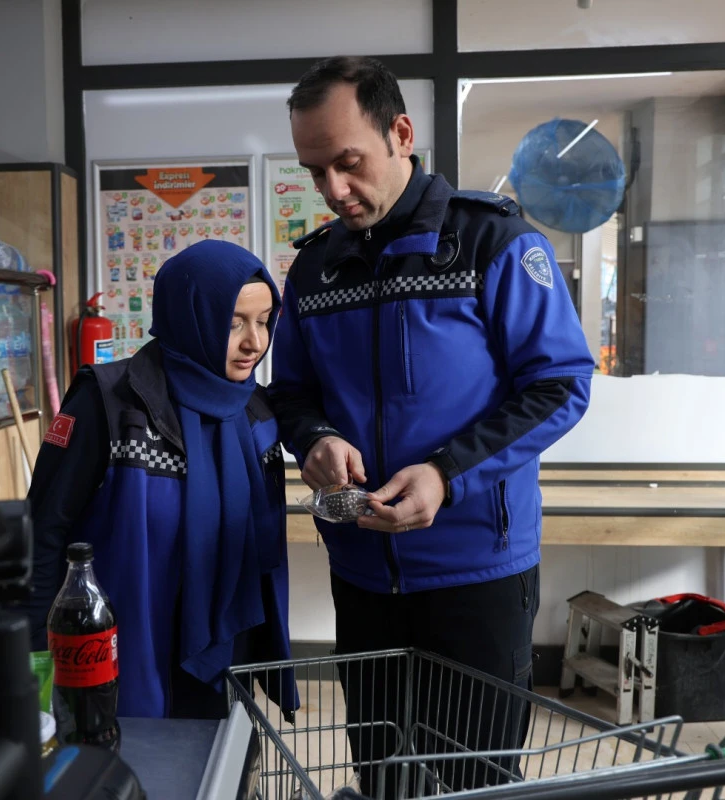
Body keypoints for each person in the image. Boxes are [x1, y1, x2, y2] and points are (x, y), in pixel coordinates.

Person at [269, 56, 596, 793]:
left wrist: (447, 474)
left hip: (478, 572)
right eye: (315, 172)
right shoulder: (314, 271)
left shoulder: (493, 244)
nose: (333, 190)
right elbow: (290, 394)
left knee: (473, 778)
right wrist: (315, 439)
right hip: (361, 574)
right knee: (382, 774)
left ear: (401, 134)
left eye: (347, 163)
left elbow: (560, 387)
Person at [25, 240, 296, 720]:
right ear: (188, 316)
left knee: (217, 758)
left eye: (263, 321)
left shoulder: (256, 410)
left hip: (228, 647)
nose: (254, 342)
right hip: (128, 646)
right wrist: (34, 658)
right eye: (233, 322)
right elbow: (43, 532)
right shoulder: (108, 401)